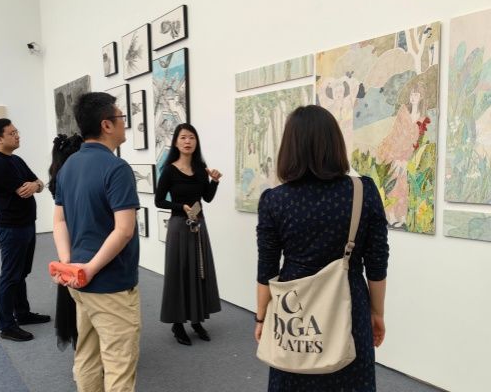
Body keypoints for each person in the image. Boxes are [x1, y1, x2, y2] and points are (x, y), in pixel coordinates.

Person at [254, 105, 389, 391]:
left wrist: (261, 317)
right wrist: (377, 313)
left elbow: (267, 269)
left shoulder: (274, 200)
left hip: (295, 312)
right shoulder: (363, 192)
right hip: (349, 305)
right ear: (335, 143)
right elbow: (377, 263)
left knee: (294, 376)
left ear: (290, 148)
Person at [53, 92, 141, 392]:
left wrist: (68, 263)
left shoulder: (69, 166)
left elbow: (59, 221)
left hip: (78, 280)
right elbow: (124, 230)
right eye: (121, 118)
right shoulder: (117, 168)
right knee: (119, 364)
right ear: (107, 124)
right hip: (109, 283)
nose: (124, 124)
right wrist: (90, 269)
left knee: (87, 355)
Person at [154, 123, 222, 346]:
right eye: (183, 137)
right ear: (176, 142)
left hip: (198, 226)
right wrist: (180, 207)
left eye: (191, 137)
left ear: (196, 142)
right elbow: (159, 201)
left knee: (199, 272)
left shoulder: (201, 168)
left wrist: (214, 181)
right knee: (179, 273)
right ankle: (177, 324)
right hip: (179, 227)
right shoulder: (169, 170)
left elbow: (207, 198)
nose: (187, 141)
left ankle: (196, 320)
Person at [0, 118, 50, 342]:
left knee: (21, 273)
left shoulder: (16, 160)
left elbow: (39, 183)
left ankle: (22, 313)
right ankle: (7, 326)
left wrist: (36, 184)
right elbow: (24, 190)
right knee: (10, 275)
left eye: (17, 132)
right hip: (12, 227)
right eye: (12, 133)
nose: (17, 136)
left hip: (26, 224)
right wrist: (34, 185)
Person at [47, 133, 83, 351]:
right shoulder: (71, 180)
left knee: (72, 297)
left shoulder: (58, 178)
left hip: (67, 243)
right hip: (77, 239)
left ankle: (81, 347)